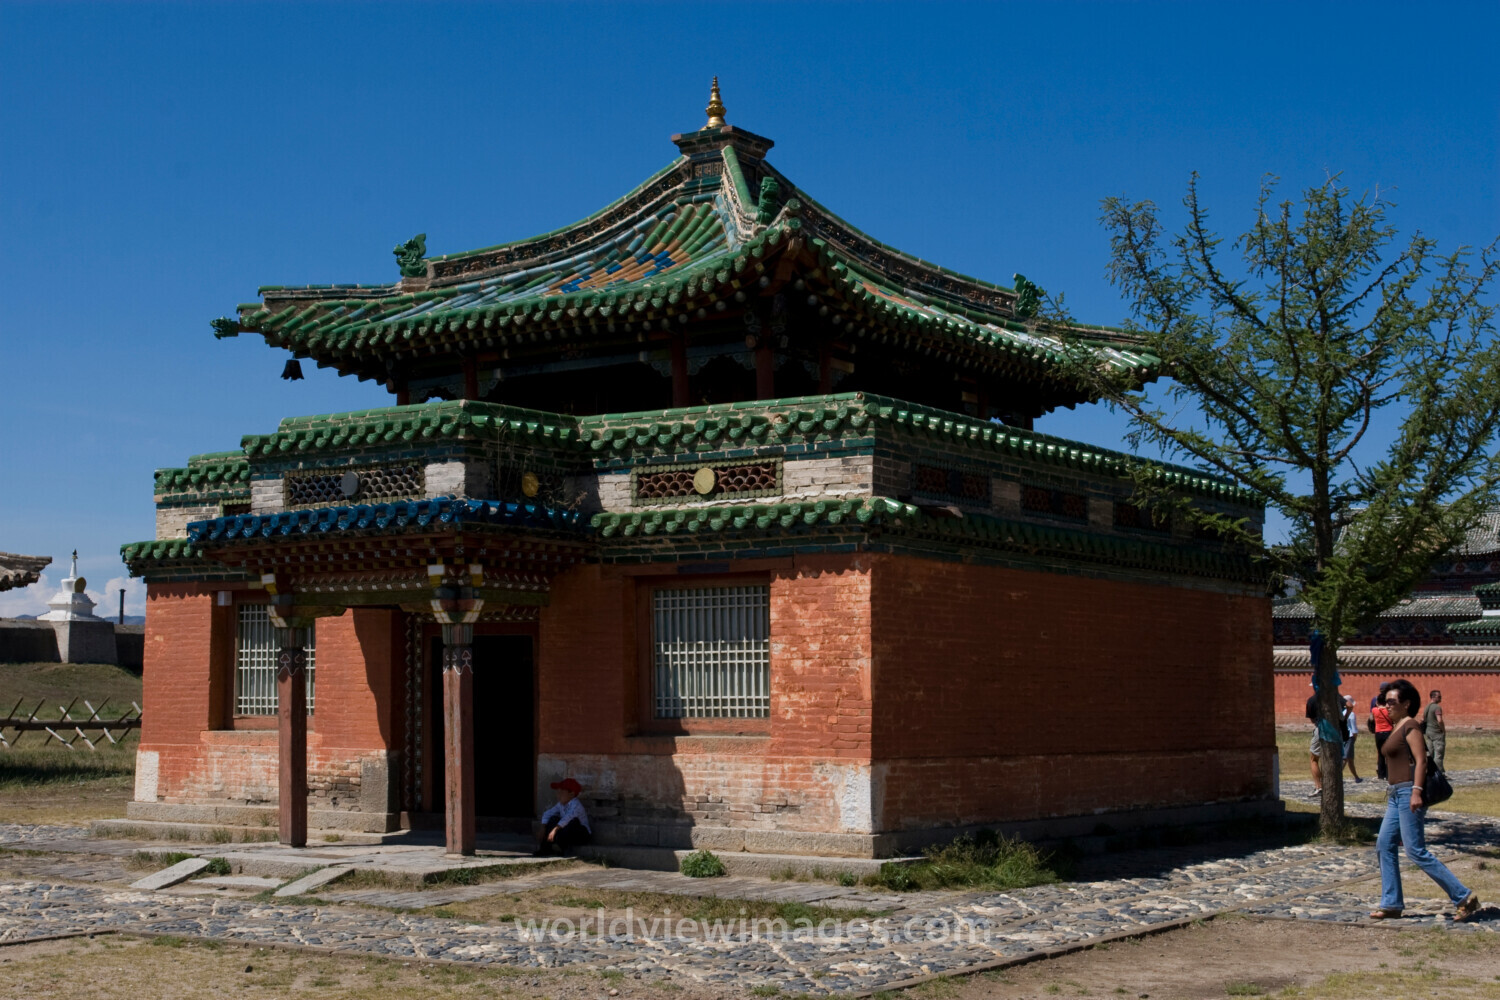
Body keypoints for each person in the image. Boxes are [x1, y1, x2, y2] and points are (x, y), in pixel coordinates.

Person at [1369, 679, 1479, 921]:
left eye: (1391, 702)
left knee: (1415, 850)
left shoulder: (1411, 727)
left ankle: (1464, 897)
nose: (1386, 706)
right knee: (1384, 844)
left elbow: (1421, 761)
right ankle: (1392, 903)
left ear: (1406, 704)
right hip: (1395, 794)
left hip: (1409, 791)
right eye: (1384, 702)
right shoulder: (1397, 725)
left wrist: (1417, 791)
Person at [534, 777, 592, 856]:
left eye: (561, 793)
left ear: (571, 793)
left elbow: (567, 818)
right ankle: (545, 849)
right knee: (553, 819)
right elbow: (548, 813)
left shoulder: (576, 805)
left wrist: (554, 830)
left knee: (573, 822)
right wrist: (543, 827)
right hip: (565, 831)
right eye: (557, 793)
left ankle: (563, 849)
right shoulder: (561, 805)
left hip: (581, 834)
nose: (558, 796)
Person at [1369, 682, 1394, 781]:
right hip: (1388, 731)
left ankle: (1381, 774)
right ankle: (1389, 774)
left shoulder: (1375, 710)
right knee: (1389, 753)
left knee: (1380, 753)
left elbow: (1371, 719)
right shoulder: (1389, 710)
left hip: (1378, 732)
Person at [1423, 690, 1446, 772]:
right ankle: (1439, 773)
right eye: (1439, 697)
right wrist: (1443, 729)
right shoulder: (1437, 707)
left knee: (1430, 753)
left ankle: (1429, 771)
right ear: (1433, 697)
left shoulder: (1427, 707)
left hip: (1428, 732)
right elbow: (1439, 720)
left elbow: (1423, 719)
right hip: (1437, 733)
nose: (1441, 698)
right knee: (1438, 754)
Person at [1306, 687, 1324, 794]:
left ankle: (1319, 786)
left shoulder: (1312, 700)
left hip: (1320, 728)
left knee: (1314, 759)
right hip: (1335, 731)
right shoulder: (1334, 697)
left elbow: (1312, 719)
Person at [1342, 695, 1362, 783]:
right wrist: (1354, 738)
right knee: (1345, 758)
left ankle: (1356, 777)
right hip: (1350, 736)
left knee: (1350, 758)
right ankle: (1337, 776)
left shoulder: (1341, 712)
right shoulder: (1351, 714)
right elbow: (1354, 729)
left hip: (1343, 736)